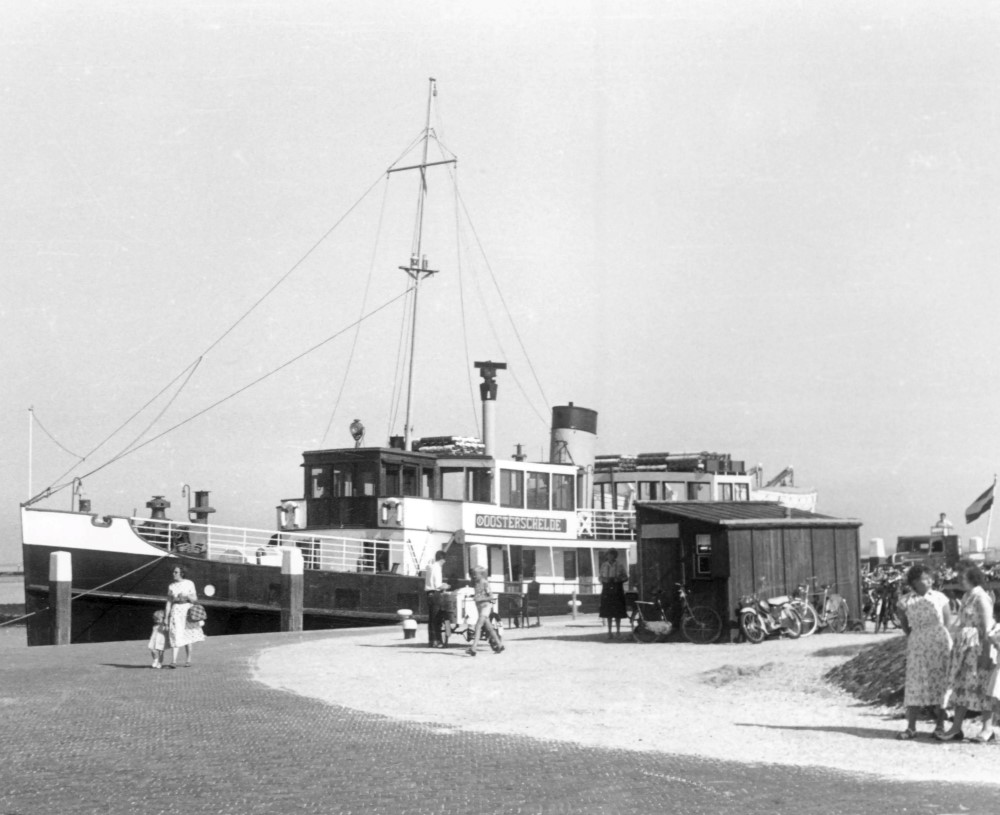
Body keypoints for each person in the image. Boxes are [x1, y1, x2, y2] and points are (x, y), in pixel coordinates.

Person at [937, 565, 996, 742]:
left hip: (978, 649)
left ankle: (987, 729)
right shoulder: (967, 596)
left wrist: (986, 654)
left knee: (983, 687)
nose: (959, 581)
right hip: (965, 651)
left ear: (972, 578)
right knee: (961, 688)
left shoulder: (981, 597)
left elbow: (987, 629)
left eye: (962, 577)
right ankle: (956, 728)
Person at [896, 564, 952, 739]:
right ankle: (911, 727)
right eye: (924, 578)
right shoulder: (904, 601)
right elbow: (904, 625)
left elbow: (947, 622)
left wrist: (939, 638)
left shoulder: (940, 597)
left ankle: (940, 725)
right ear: (914, 582)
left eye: (930, 578)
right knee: (914, 682)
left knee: (941, 682)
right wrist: (917, 635)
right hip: (918, 643)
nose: (929, 581)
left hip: (940, 642)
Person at [164, 566, 205, 668]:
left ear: (182, 573)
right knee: (175, 633)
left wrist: (187, 596)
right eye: (173, 572)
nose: (173, 573)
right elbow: (169, 602)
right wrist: (166, 617)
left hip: (187, 610)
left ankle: (188, 660)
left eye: (176, 572)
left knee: (187, 634)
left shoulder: (189, 583)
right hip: (176, 610)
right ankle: (173, 661)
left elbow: (195, 599)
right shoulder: (171, 586)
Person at [466, 566, 503, 656]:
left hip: (485, 606)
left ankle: (473, 648)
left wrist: (479, 598)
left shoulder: (485, 583)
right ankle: (499, 645)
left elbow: (490, 596)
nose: (474, 576)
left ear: (481, 575)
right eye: (473, 574)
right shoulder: (476, 583)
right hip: (479, 607)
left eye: (475, 574)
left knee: (478, 626)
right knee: (489, 628)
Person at [599, 549, 628, 640]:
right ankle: (609, 631)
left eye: (611, 555)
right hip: (607, 588)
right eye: (608, 555)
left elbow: (626, 577)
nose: (610, 556)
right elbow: (600, 577)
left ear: (615, 556)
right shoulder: (604, 565)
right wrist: (604, 580)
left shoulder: (620, 565)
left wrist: (618, 580)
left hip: (617, 587)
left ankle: (618, 631)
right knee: (608, 612)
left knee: (617, 612)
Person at [424, 550, 450, 648]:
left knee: (431, 619)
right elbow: (438, 585)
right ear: (442, 559)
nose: (445, 562)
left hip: (429, 594)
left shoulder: (430, 567)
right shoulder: (437, 568)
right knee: (437, 619)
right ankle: (438, 641)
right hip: (435, 594)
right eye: (444, 560)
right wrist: (446, 586)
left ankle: (431, 641)